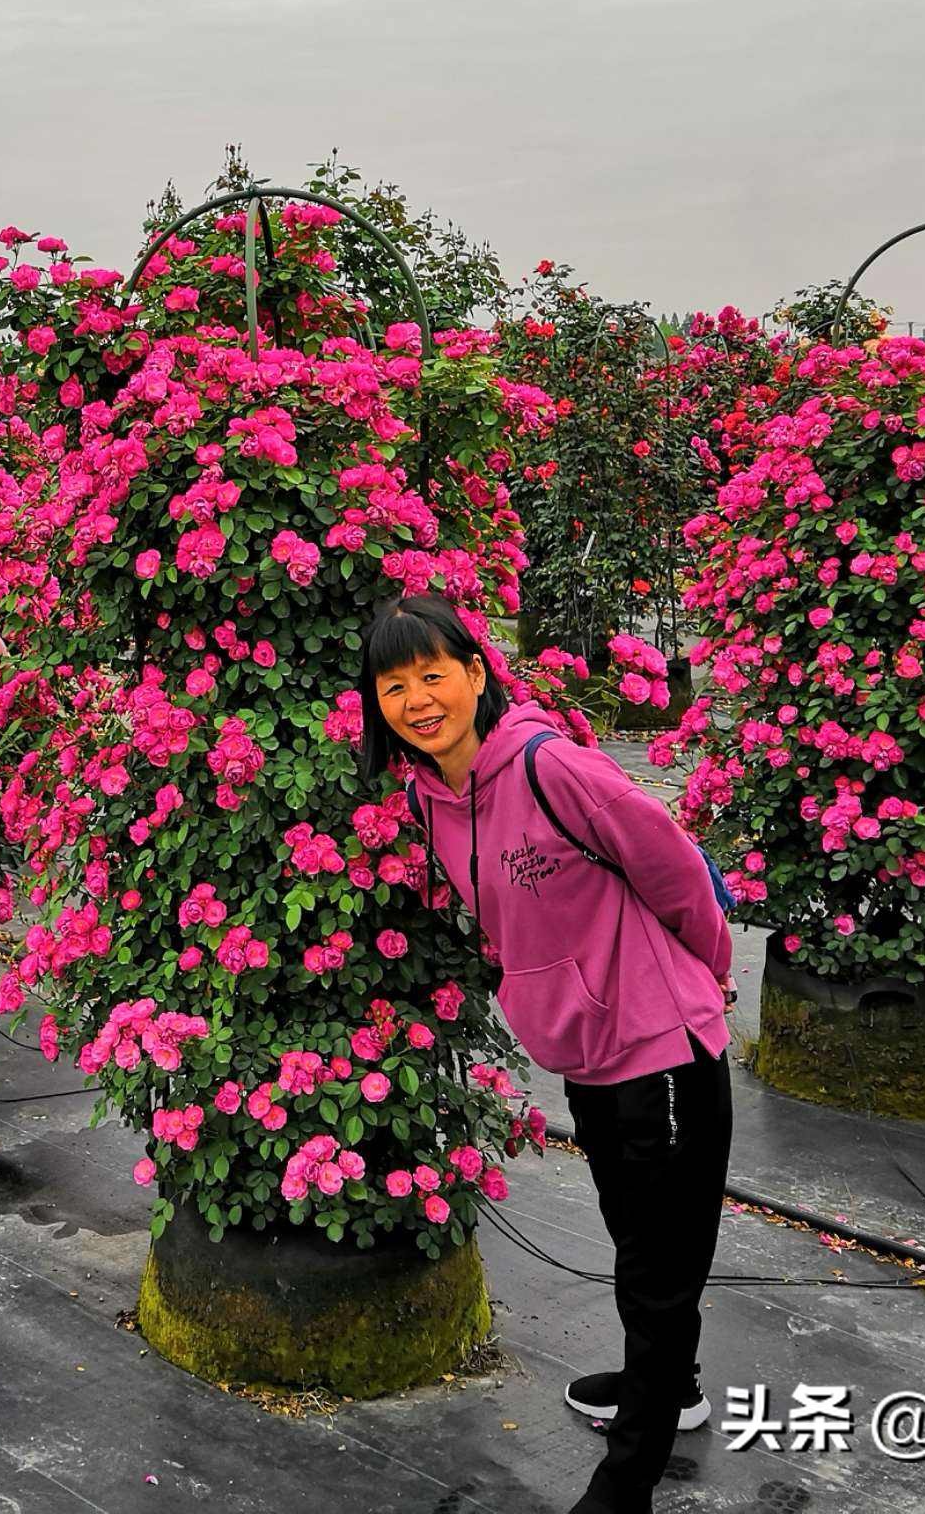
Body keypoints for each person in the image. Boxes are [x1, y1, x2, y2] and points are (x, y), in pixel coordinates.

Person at [362, 594, 734, 1514]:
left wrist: (704, 976)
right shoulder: (429, 793)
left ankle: (629, 1477)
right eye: (394, 684)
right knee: (633, 1241)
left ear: (477, 672)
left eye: (433, 674)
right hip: (588, 1050)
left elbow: (677, 868)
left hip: (663, 1051)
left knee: (657, 1267)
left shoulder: (548, 765)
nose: (417, 699)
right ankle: (669, 1383)